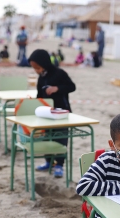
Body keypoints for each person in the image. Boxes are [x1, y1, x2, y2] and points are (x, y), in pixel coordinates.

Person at [28, 49, 76, 178]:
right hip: (46, 114)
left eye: (37, 67)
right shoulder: (41, 78)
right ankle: (49, 162)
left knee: (60, 139)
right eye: (34, 68)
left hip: (62, 113)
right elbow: (39, 95)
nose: (36, 70)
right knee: (47, 137)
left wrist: (57, 88)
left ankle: (59, 165)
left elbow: (72, 86)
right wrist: (34, 103)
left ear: (44, 63)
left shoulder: (59, 73)